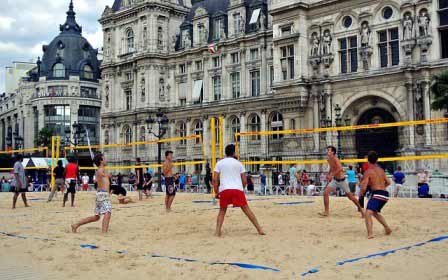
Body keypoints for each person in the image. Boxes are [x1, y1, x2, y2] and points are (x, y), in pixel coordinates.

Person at [213, 144, 265, 237]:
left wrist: (216, 192)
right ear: (234, 153)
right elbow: (244, 180)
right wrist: (242, 189)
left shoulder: (219, 163)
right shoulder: (239, 163)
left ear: (225, 153)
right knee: (246, 209)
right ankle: (259, 229)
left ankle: (217, 232)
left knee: (222, 211)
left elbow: (215, 180)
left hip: (225, 189)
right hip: (237, 189)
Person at [72, 154, 112, 233]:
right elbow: (99, 174)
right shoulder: (100, 170)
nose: (106, 159)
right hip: (102, 195)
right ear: (101, 161)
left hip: (101, 194)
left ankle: (76, 225)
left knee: (96, 217)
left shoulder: (102, 170)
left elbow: (98, 180)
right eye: (104, 158)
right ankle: (104, 233)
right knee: (108, 213)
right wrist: (106, 175)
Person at [319, 146, 364, 217]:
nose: (327, 151)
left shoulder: (335, 159)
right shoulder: (329, 159)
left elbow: (340, 168)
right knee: (325, 193)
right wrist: (329, 174)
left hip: (342, 181)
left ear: (333, 152)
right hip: (335, 180)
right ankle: (326, 212)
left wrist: (331, 175)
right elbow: (332, 167)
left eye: (328, 150)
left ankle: (362, 211)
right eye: (327, 150)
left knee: (351, 197)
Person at [360, 151, 392, 239]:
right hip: (385, 194)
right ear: (377, 160)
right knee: (374, 212)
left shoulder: (368, 172)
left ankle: (370, 233)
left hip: (378, 194)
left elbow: (363, 187)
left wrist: (361, 195)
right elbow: (389, 182)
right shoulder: (381, 170)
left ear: (368, 160)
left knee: (367, 213)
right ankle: (387, 228)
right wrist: (381, 188)